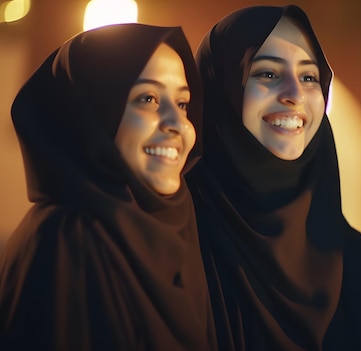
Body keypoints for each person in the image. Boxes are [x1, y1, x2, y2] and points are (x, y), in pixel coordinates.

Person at [0, 23, 215, 350]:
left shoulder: (173, 228)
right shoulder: (68, 239)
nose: (177, 124)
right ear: (93, 113)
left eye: (183, 104)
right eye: (148, 98)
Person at [186, 5, 361, 350]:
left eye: (309, 77)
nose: (294, 94)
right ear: (220, 91)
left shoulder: (355, 260)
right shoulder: (181, 247)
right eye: (267, 74)